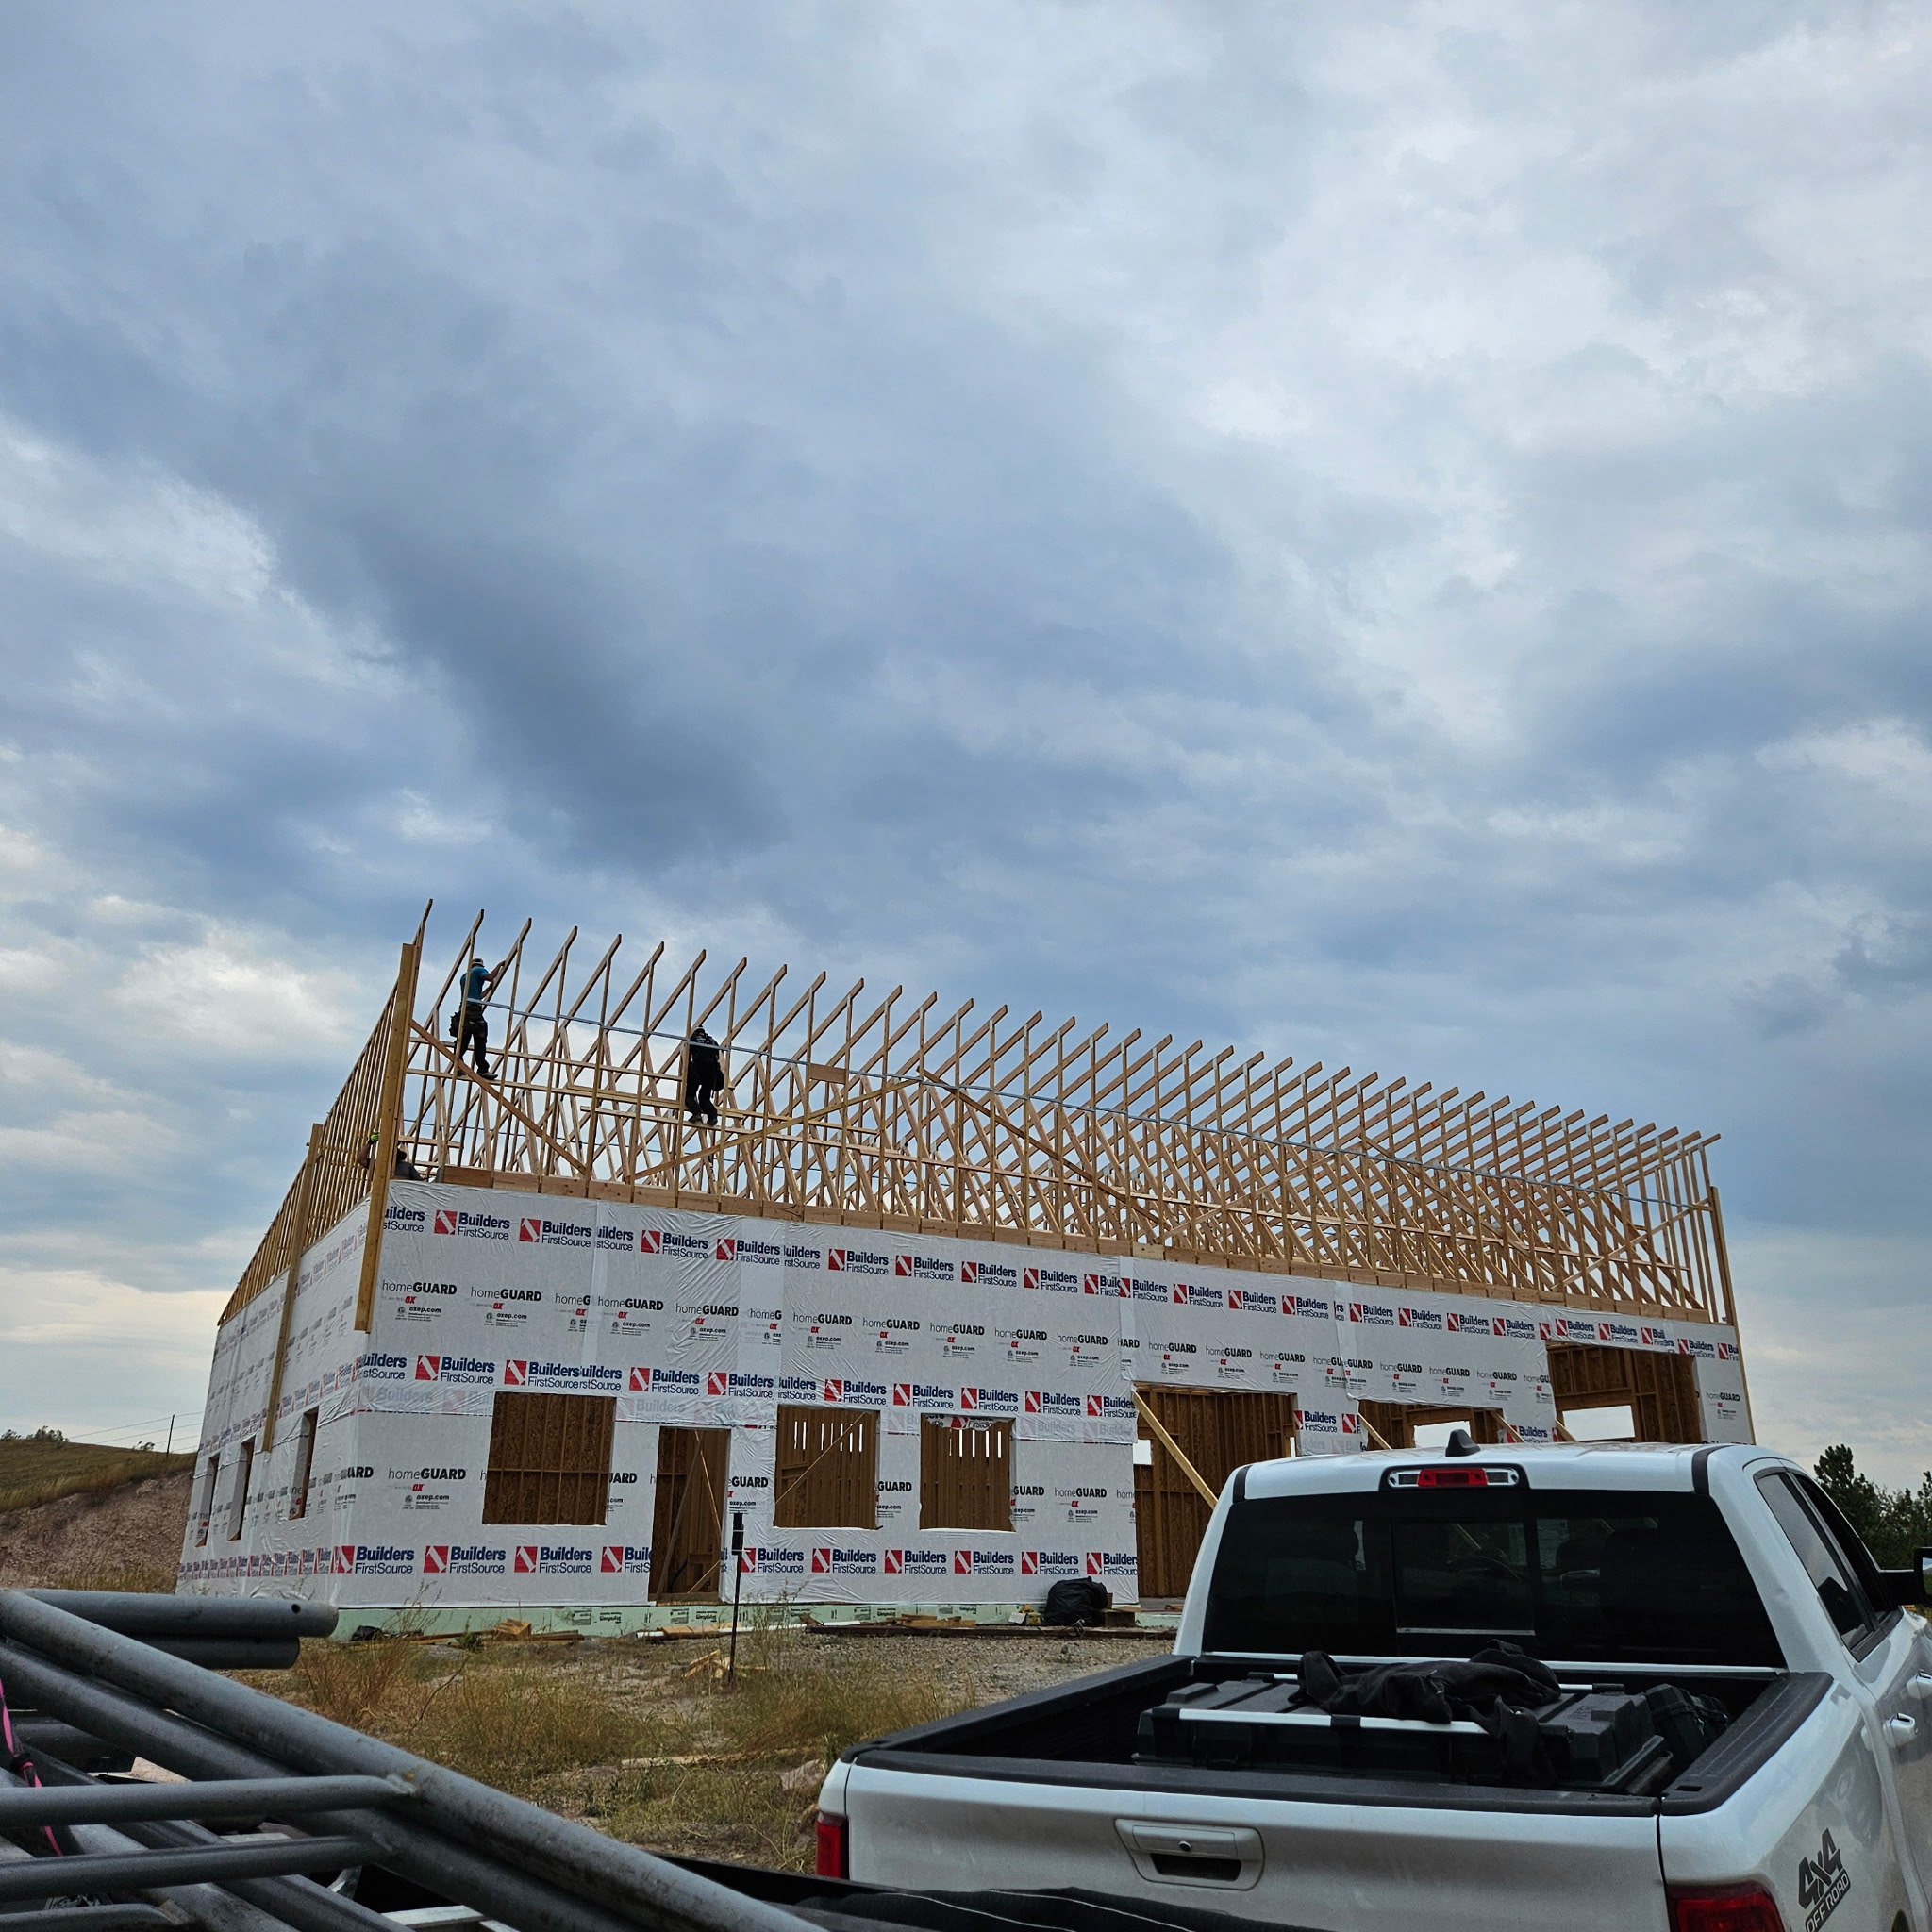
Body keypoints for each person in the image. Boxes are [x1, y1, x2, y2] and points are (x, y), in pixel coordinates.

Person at [455, 956, 506, 1079]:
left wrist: (488, 989)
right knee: (480, 1037)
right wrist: (500, 965)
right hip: (473, 1009)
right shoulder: (478, 970)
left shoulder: (464, 976)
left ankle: (458, 1065)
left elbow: (477, 996)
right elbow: (490, 977)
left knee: (464, 1038)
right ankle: (482, 1069)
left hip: (464, 1009)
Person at [685, 1026, 724, 1124]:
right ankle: (712, 1116)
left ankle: (696, 1113)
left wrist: (688, 1071)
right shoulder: (712, 1041)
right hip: (712, 1072)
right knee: (704, 1098)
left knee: (690, 1095)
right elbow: (718, 1056)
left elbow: (688, 1055)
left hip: (698, 1069)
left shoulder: (693, 1039)